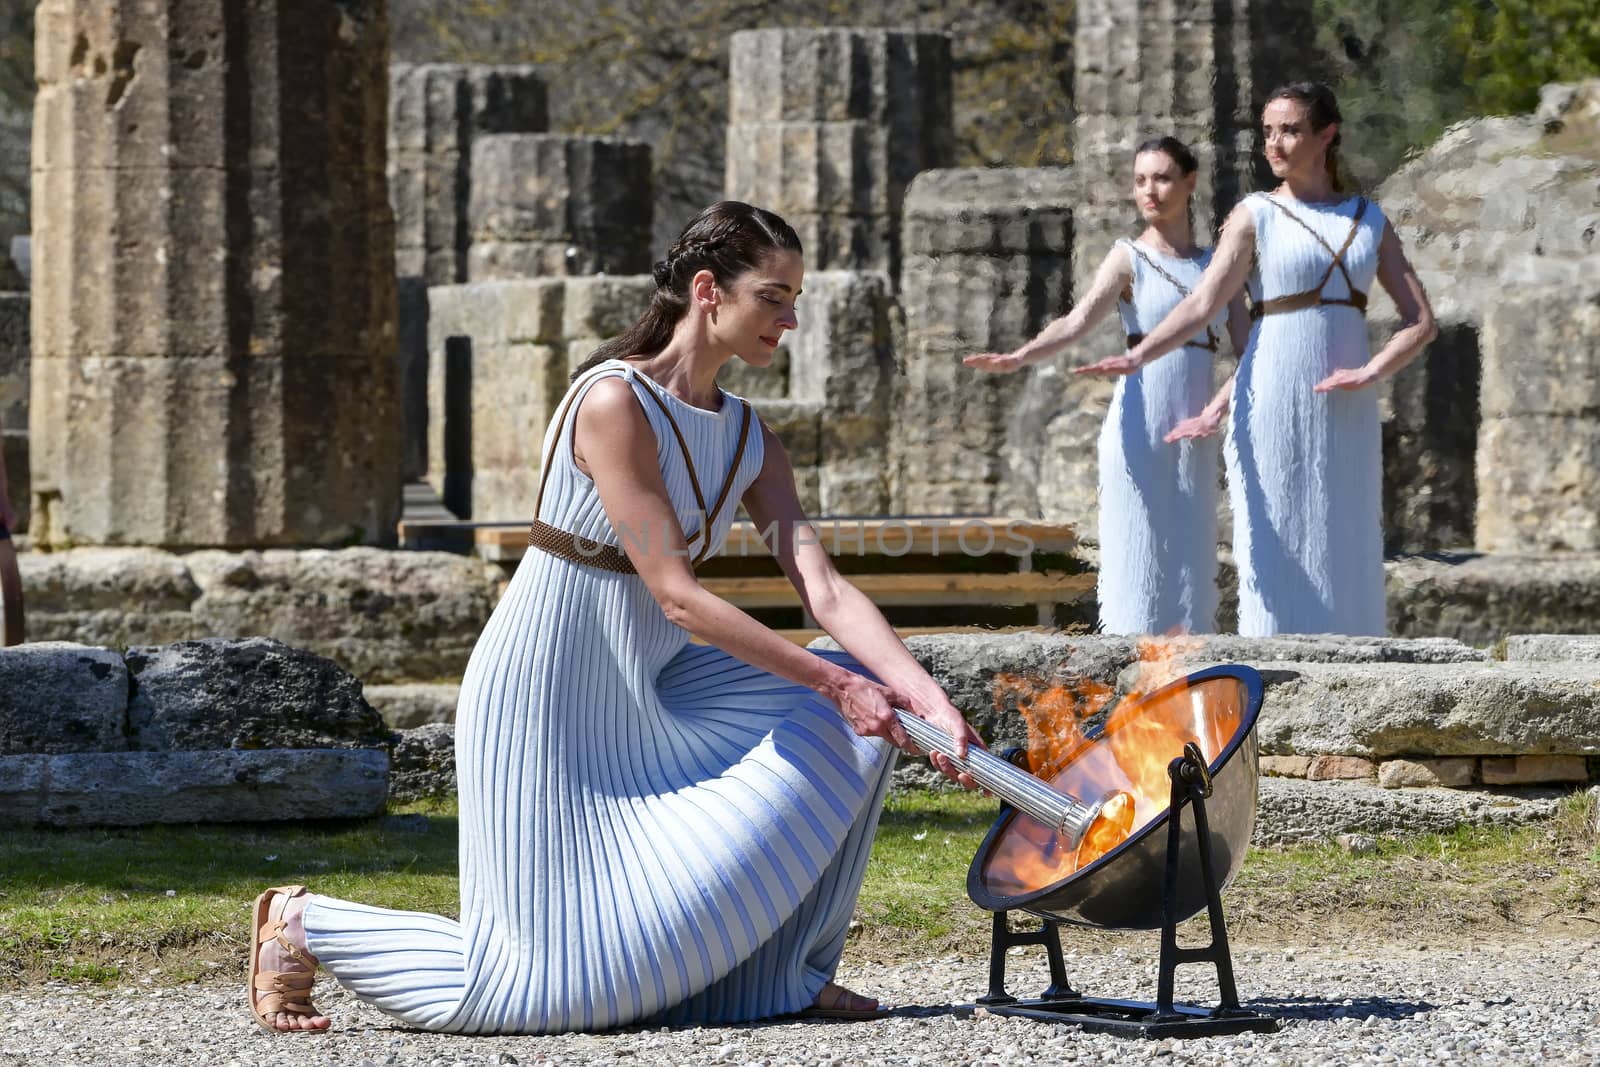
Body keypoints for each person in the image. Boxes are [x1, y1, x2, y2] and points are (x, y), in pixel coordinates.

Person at [247, 201, 984, 1035]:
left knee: (860, 709)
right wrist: (836, 680)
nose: (791, 316)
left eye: (795, 297)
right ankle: (304, 921)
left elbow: (826, 590)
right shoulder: (613, 402)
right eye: (773, 297)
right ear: (708, 291)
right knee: (537, 990)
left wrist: (923, 693)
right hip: (549, 693)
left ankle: (785, 975)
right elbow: (675, 594)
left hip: (656, 686)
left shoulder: (750, 437)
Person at [1077, 83, 1438, 636]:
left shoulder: (1368, 219)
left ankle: (1356, 670)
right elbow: (1203, 303)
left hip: (1347, 401)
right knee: (1277, 544)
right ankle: (1270, 674)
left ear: (1326, 136)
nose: (1275, 143)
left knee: (1348, 535)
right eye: (1268, 131)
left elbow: (1421, 321)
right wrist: (1141, 355)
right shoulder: (1254, 213)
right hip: (1270, 393)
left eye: (1290, 130)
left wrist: (1371, 371)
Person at [967, 137, 1250, 635]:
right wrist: (1022, 356)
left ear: (1190, 183)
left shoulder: (1218, 265)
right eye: (1140, 180)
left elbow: (1251, 352)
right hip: (1138, 423)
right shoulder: (1128, 258)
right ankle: (1128, 673)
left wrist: (1217, 409)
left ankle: (1188, 685)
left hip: (1194, 429)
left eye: (1162, 178)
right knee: (1136, 553)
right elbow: (1077, 322)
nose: (1150, 191)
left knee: (1190, 561)